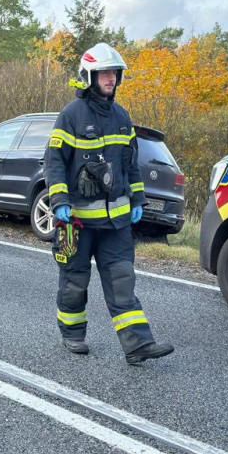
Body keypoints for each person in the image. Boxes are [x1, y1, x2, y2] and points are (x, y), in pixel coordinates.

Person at [43, 42, 174, 365]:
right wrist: (59, 200)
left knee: (122, 280)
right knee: (75, 281)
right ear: (89, 76)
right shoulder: (71, 115)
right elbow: (55, 160)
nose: (111, 78)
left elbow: (131, 164)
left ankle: (138, 345)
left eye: (115, 73)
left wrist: (138, 198)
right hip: (78, 220)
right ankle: (72, 333)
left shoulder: (121, 116)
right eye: (104, 73)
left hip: (115, 223)